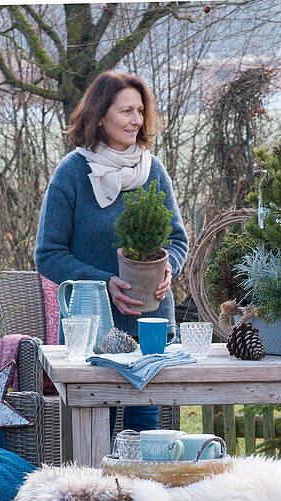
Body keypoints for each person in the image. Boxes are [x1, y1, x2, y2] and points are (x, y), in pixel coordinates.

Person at [35, 71, 188, 434]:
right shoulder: (72, 173)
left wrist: (169, 269)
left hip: (151, 327)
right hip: (92, 328)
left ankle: (138, 494)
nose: (136, 120)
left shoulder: (153, 172)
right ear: (100, 116)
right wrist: (106, 283)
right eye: (125, 111)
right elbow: (48, 255)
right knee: (94, 436)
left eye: (140, 110)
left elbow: (177, 242)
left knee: (144, 437)